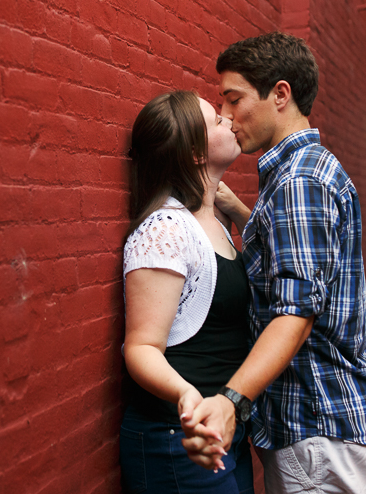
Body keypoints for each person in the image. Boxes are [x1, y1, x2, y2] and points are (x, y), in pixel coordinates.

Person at [180, 33, 366, 494]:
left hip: (316, 423)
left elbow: (296, 309)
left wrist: (232, 399)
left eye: (233, 100)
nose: (227, 117)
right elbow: (293, 259)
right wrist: (235, 208)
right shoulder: (310, 169)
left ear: (280, 94)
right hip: (328, 420)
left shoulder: (297, 183)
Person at [120, 90, 255, 494]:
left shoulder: (212, 221)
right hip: (178, 441)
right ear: (196, 153)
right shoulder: (165, 229)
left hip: (224, 430)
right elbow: (141, 347)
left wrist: (229, 204)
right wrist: (186, 394)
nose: (229, 121)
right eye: (216, 120)